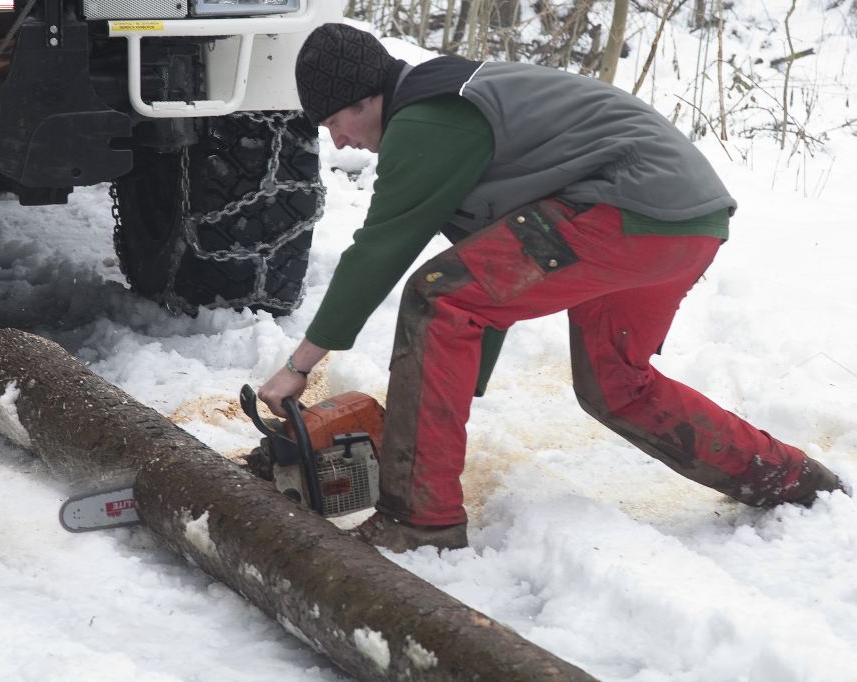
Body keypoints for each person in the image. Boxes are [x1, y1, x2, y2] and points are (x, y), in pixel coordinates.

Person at [258, 23, 844, 552]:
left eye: (336, 122)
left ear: (368, 98)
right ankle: (793, 480)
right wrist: (441, 405)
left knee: (439, 296)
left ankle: (419, 520)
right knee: (615, 385)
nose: (338, 142)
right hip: (684, 222)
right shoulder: (443, 104)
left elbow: (380, 251)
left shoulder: (428, 116)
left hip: (629, 207)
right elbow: (485, 274)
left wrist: (301, 365)